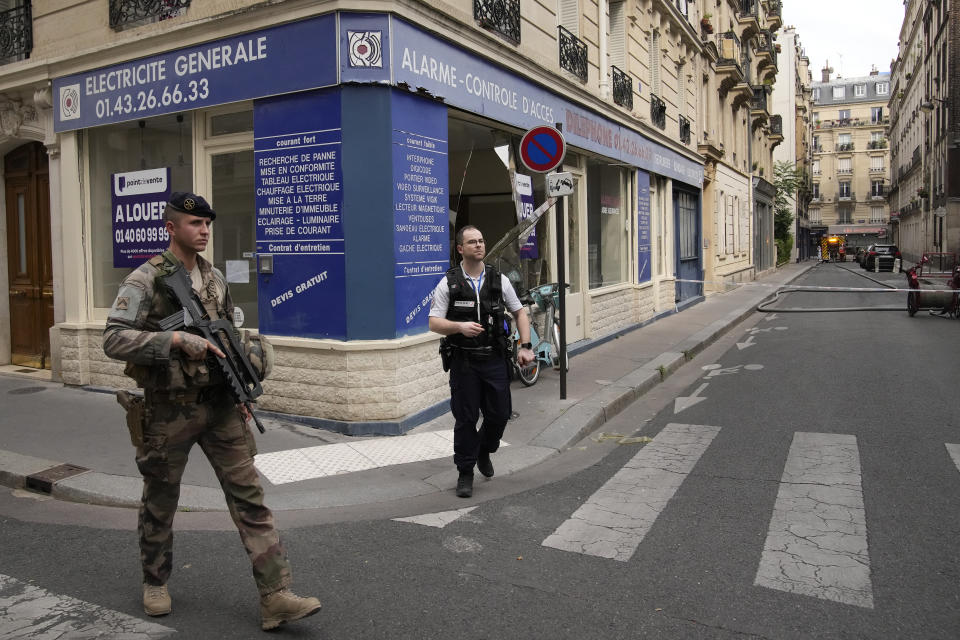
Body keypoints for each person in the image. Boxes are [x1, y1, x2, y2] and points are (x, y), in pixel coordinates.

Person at [103, 191, 321, 631]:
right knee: (161, 500)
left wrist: (241, 393)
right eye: (194, 224)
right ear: (171, 228)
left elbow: (226, 339)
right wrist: (173, 341)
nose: (203, 231)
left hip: (220, 407)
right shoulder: (144, 280)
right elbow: (113, 339)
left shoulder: (215, 278)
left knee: (250, 498)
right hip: (169, 411)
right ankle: (155, 580)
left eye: (207, 225)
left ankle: (275, 595)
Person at [428, 225, 535, 498]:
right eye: (472, 242)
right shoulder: (449, 283)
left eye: (481, 240)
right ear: (460, 249)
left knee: (499, 413)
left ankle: (484, 450)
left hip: (494, 358)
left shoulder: (499, 280)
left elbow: (520, 313)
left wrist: (525, 346)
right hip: (464, 362)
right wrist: (459, 328)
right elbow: (434, 323)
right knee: (465, 418)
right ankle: (465, 472)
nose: (479, 245)